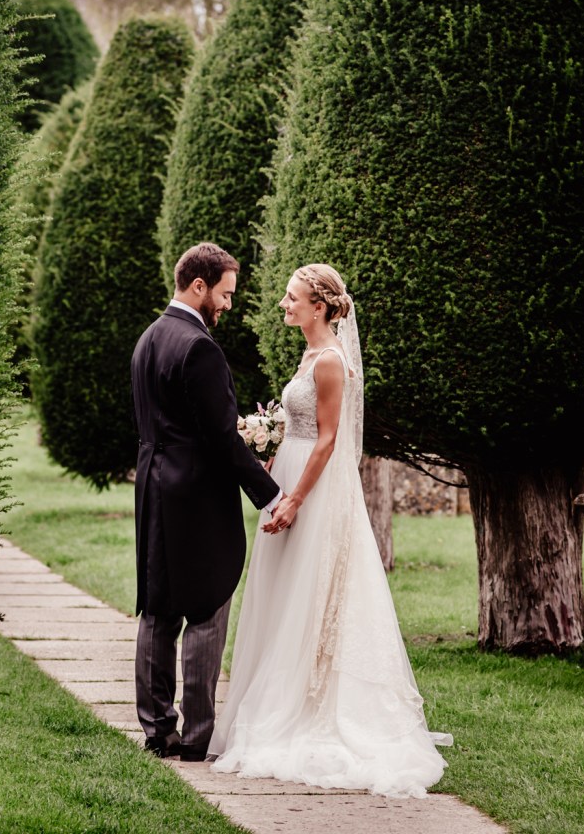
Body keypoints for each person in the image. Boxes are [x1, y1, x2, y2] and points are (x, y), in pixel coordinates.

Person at [209, 264, 452, 796]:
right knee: (283, 594)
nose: (284, 305)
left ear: (318, 307)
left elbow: (327, 440)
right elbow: (298, 431)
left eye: (292, 298)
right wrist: (272, 462)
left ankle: (309, 708)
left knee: (312, 593)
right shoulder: (308, 354)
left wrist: (296, 498)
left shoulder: (331, 363)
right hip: (291, 473)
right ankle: (278, 695)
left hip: (314, 490)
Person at [130, 242, 281, 762]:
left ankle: (158, 732)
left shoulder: (148, 339)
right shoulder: (200, 347)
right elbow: (221, 438)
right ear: (199, 285)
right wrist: (270, 494)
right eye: (226, 293)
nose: (228, 305)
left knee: (158, 606)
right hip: (196, 495)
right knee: (207, 608)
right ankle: (196, 738)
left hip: (152, 488)